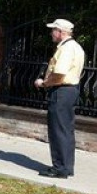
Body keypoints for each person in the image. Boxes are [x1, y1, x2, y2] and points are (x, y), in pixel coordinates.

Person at [35, 19, 85, 179]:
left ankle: (59, 168)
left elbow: (59, 74)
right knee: (66, 129)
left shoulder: (66, 49)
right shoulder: (76, 47)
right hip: (70, 90)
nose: (51, 33)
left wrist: (44, 83)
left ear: (61, 32)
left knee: (57, 130)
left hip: (61, 91)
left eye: (53, 30)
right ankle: (67, 166)